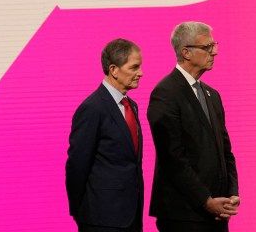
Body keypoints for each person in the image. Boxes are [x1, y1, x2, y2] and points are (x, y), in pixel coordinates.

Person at [148, 22, 240, 230]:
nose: (215, 52)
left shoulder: (212, 95)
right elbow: (172, 159)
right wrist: (205, 201)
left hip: (218, 212)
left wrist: (232, 192)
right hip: (183, 215)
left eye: (214, 45)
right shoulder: (165, 93)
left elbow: (225, 151)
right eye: (207, 47)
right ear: (186, 52)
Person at [65, 38, 145, 232]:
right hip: (101, 219)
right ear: (114, 70)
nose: (140, 73)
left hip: (131, 216)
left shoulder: (131, 106)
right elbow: (77, 165)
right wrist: (80, 211)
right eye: (134, 67)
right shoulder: (92, 108)